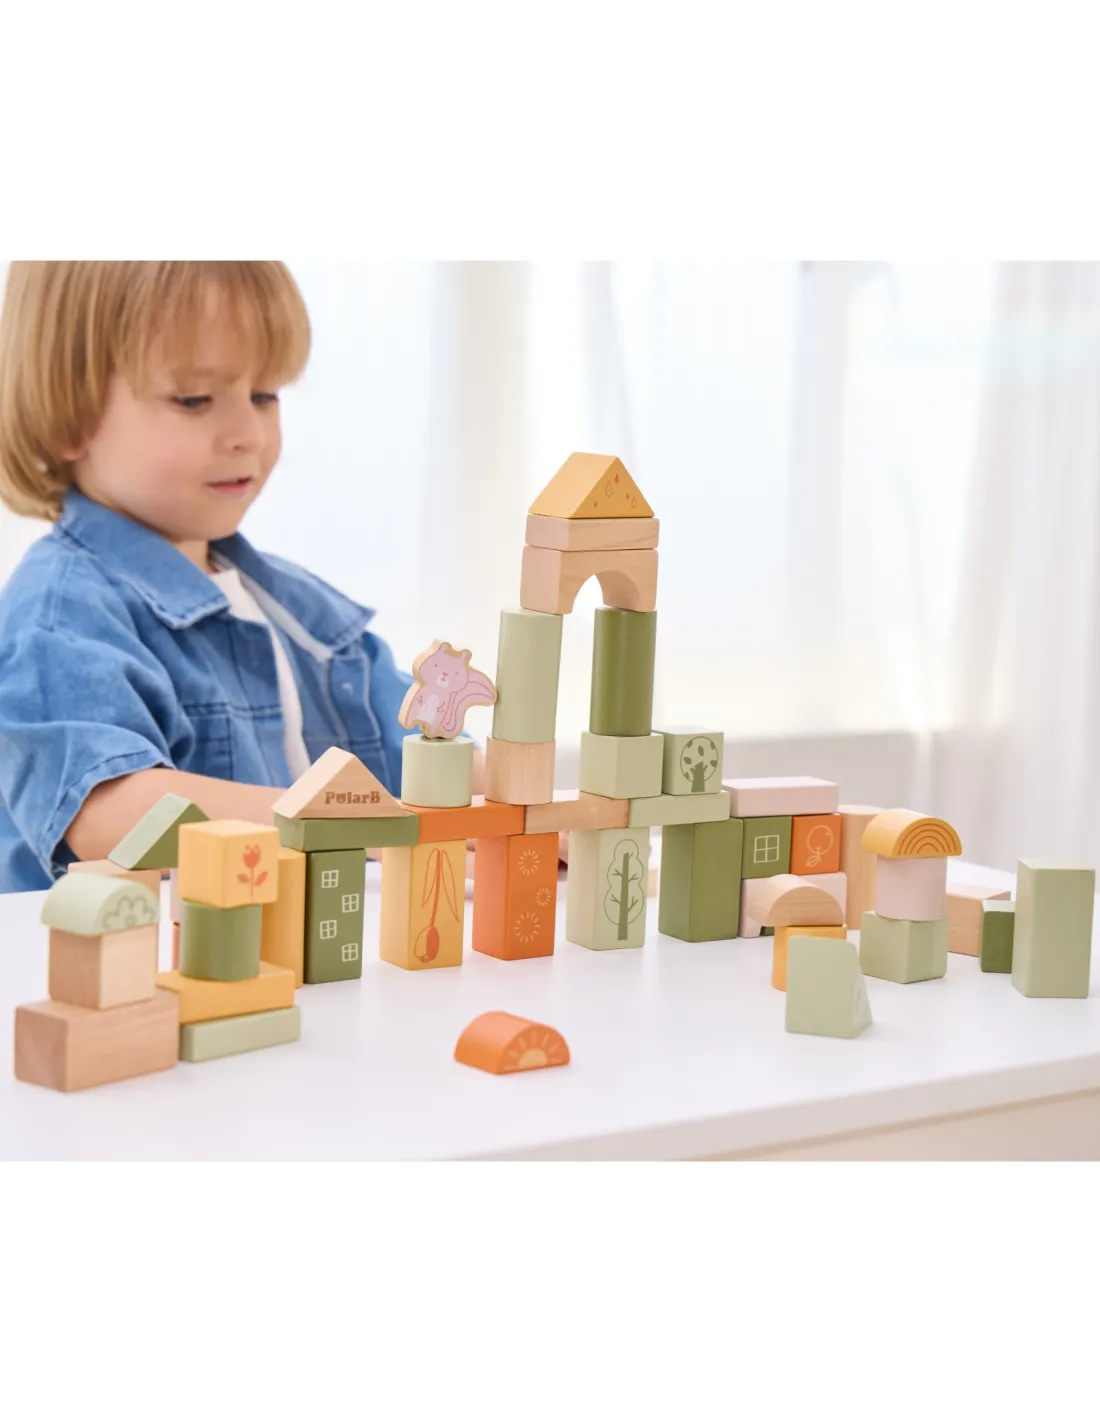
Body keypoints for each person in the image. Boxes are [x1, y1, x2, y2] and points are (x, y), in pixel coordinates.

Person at [0, 261, 484, 893]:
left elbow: (426, 751)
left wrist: (514, 808)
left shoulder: (296, 608)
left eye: (264, 396)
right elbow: (112, 815)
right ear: (69, 414)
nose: (248, 435)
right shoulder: (60, 612)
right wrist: (364, 824)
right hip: (146, 950)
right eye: (194, 400)